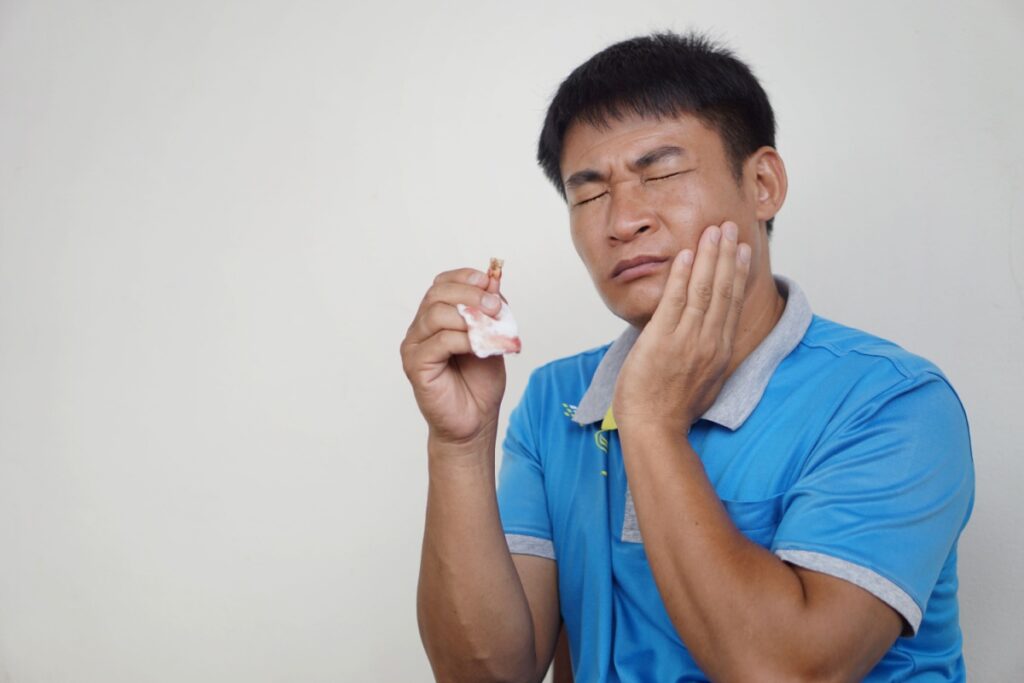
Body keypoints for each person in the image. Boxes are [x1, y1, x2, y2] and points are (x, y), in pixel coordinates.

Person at [400, 31, 974, 682]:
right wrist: (458, 443)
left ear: (762, 183)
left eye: (661, 173)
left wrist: (648, 420)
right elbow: (486, 675)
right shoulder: (556, 399)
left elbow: (787, 670)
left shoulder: (894, 403)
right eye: (588, 194)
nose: (622, 220)